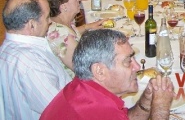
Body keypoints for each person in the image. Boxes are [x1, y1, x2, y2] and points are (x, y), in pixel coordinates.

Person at [41, 29, 173, 120]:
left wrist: (146, 102)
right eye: (128, 61)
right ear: (99, 71)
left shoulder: (84, 88)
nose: (137, 67)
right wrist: (160, 108)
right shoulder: (93, 109)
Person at [0, 0, 71, 119]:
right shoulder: (30, 62)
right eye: (47, 17)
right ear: (31, 25)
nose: (50, 22)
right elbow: (59, 111)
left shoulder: (7, 48)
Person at [32, 0, 105, 77]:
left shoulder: (57, 22)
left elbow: (73, 33)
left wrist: (87, 26)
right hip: (75, 86)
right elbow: (87, 71)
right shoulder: (62, 36)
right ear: (64, 6)